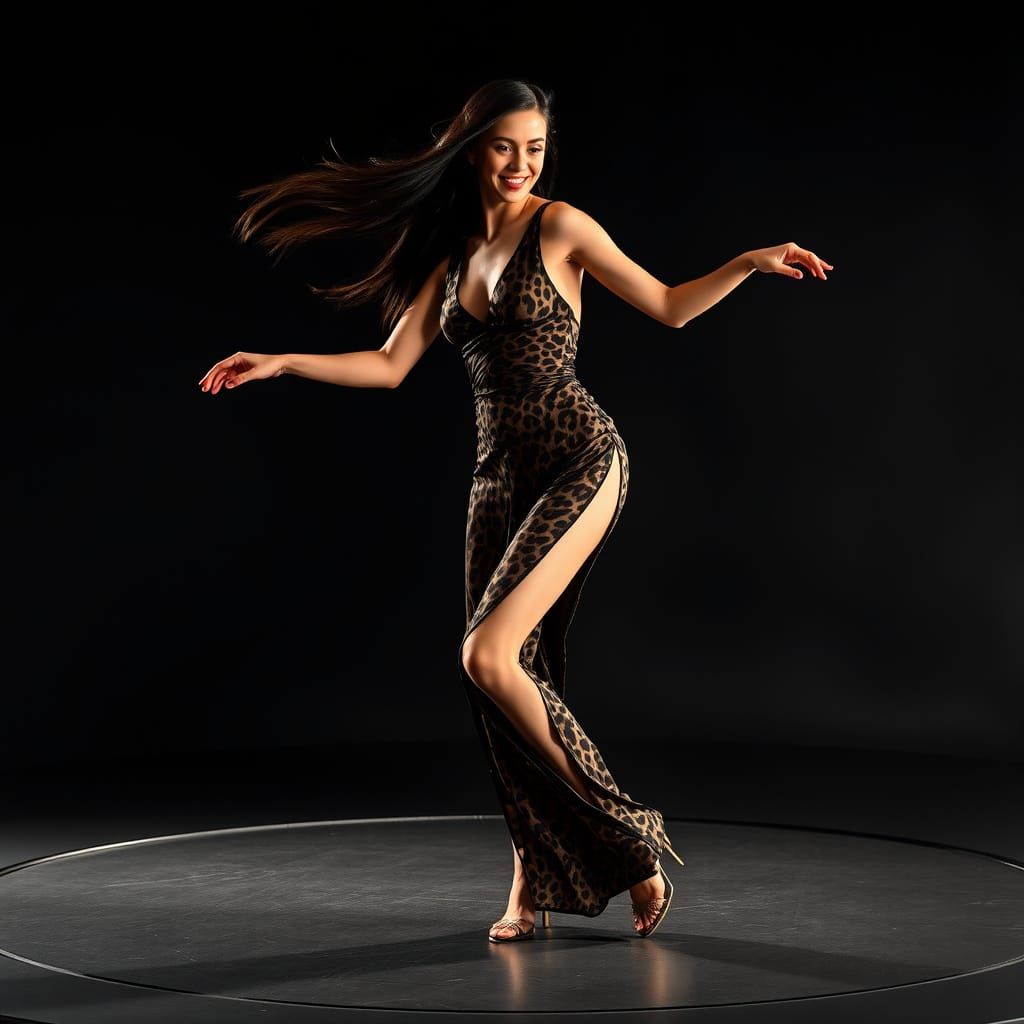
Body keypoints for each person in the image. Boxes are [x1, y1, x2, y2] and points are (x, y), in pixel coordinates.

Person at [198, 79, 833, 943]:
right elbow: (389, 366)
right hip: (497, 480)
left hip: (580, 457)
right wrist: (281, 362)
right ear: (472, 150)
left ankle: (632, 836)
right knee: (506, 687)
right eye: (506, 147)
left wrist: (748, 263)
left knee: (487, 655)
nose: (521, 164)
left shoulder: (561, 225)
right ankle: (530, 885)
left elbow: (670, 307)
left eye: (535, 148)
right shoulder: (450, 253)